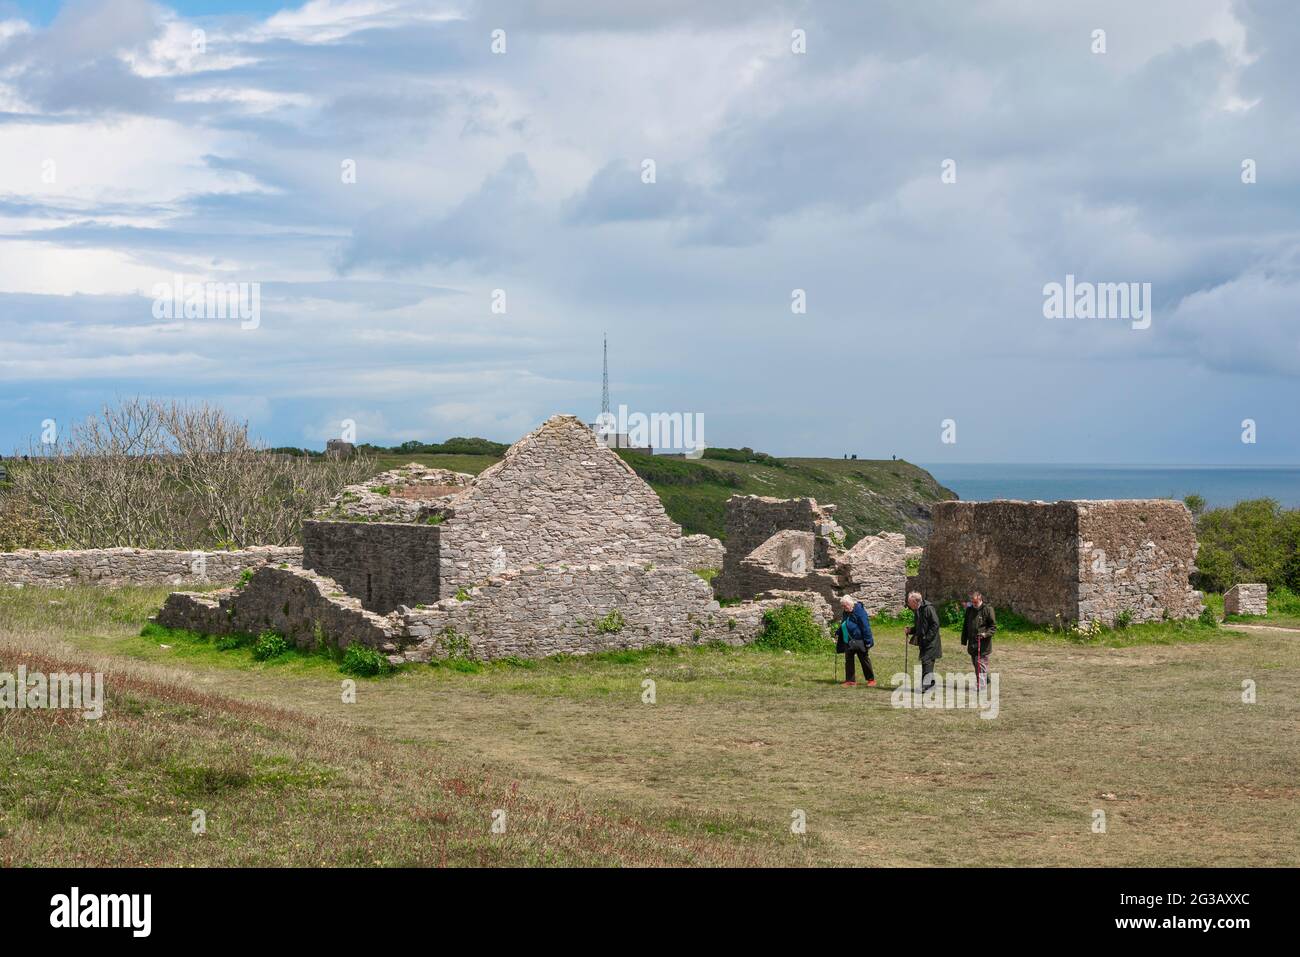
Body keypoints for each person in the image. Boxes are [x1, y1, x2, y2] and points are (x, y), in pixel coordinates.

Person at [904, 590, 942, 693]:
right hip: (924, 641)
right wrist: (911, 630)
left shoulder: (928, 608)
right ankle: (931, 683)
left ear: (915, 601)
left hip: (931, 642)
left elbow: (935, 624)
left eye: (909, 602)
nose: (908, 605)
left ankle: (926, 686)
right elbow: (919, 627)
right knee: (926, 662)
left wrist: (927, 638)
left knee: (927, 662)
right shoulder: (918, 610)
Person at [837, 595, 875, 687]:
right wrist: (839, 631)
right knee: (848, 660)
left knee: (864, 659)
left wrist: (868, 641)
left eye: (845, 606)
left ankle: (871, 680)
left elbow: (866, 627)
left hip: (859, 640)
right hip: (848, 641)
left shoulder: (859, 612)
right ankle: (850, 681)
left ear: (850, 604)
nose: (843, 608)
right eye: (842, 606)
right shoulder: (846, 612)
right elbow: (845, 623)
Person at [961, 591, 996, 690]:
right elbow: (966, 625)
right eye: (972, 602)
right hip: (972, 643)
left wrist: (985, 634)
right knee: (976, 664)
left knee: (980, 664)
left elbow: (993, 627)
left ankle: (981, 685)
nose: (974, 604)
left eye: (975, 602)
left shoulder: (988, 609)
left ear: (980, 600)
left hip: (983, 643)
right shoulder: (969, 610)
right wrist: (964, 639)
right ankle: (986, 679)